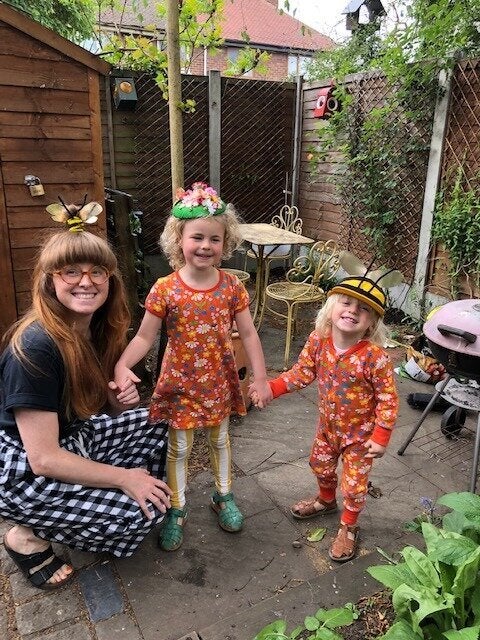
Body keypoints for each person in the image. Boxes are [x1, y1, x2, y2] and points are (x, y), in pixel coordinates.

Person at [0, 199, 172, 591]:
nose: (86, 281)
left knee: (162, 420)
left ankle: (80, 502)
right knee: (139, 517)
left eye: (98, 271)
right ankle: (25, 536)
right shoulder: (36, 347)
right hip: (19, 468)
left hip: (71, 438)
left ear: (110, 279)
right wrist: (125, 478)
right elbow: (43, 458)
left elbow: (94, 408)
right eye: (71, 271)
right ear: (50, 280)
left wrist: (118, 400)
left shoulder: (95, 329)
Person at [114, 182, 271, 552]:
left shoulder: (231, 287)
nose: (205, 246)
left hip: (218, 381)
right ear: (178, 239)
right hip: (180, 384)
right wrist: (122, 364)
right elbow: (144, 338)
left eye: (214, 239)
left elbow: (248, 334)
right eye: (197, 237)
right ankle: (178, 509)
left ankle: (223, 495)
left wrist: (261, 378)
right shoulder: (165, 289)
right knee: (179, 448)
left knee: (220, 440)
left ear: (225, 243)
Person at [251, 274, 399, 562]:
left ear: (372, 323)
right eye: (346, 303)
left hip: (361, 438)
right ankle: (326, 500)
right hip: (328, 429)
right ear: (330, 308)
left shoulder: (374, 358)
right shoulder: (319, 342)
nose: (353, 311)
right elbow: (302, 373)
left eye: (363, 308)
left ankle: (349, 527)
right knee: (319, 465)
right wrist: (271, 388)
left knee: (355, 485)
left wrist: (381, 437)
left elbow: (388, 399)